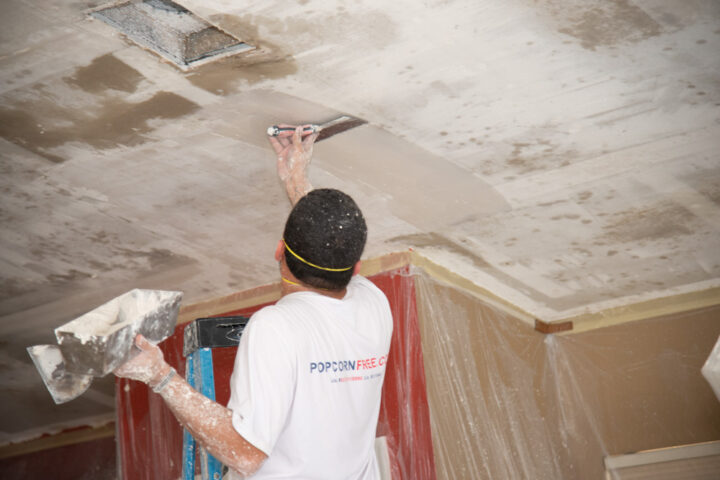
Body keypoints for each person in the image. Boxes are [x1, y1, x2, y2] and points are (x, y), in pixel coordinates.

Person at [114, 125, 394, 479]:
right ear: (355, 268)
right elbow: (331, 247)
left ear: (279, 251)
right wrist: (297, 184)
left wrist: (160, 375)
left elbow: (245, 454)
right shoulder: (375, 306)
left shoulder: (275, 328)